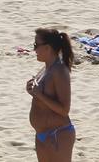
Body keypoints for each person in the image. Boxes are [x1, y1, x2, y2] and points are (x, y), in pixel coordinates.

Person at [28, 28, 75, 161]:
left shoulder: (59, 71)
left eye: (36, 45)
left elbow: (64, 110)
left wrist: (40, 95)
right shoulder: (46, 68)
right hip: (42, 134)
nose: (34, 50)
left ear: (47, 48)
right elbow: (44, 98)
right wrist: (32, 92)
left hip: (58, 134)